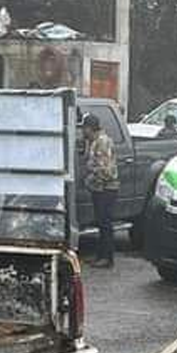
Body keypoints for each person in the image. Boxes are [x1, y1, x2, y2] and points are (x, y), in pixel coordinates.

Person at [82, 112, 120, 268]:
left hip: (105, 188)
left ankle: (107, 258)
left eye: (84, 128)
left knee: (105, 223)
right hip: (101, 188)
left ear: (90, 128)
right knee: (101, 222)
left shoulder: (102, 142)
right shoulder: (95, 141)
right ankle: (101, 255)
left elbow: (105, 170)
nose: (83, 132)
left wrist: (90, 180)